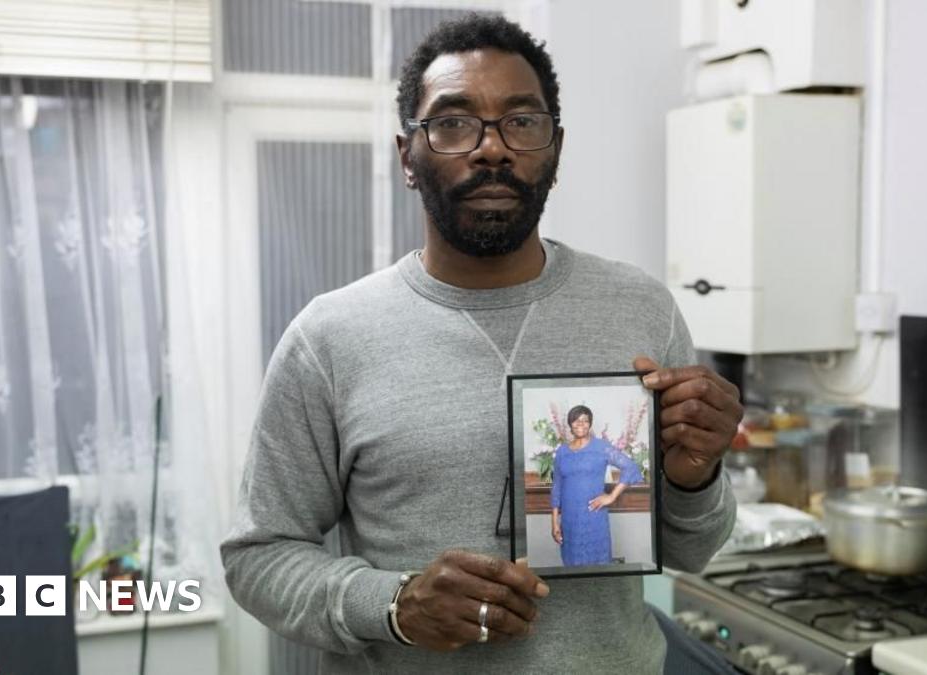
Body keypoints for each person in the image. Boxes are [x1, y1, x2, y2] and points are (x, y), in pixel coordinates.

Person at [220, 13, 742, 674]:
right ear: (406, 156)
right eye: (453, 122)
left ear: (554, 147)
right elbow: (258, 555)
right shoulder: (330, 338)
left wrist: (694, 475)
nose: (492, 148)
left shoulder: (641, 309)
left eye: (521, 121)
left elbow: (692, 550)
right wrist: (394, 605)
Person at [550, 405, 644, 566]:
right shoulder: (562, 452)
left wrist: (612, 496)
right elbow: (557, 487)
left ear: (590, 424)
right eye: (576, 420)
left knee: (598, 566)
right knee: (572, 565)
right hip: (570, 520)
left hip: (593, 515)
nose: (581, 424)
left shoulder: (601, 447)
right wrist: (554, 522)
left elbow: (631, 467)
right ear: (570, 424)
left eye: (585, 420)